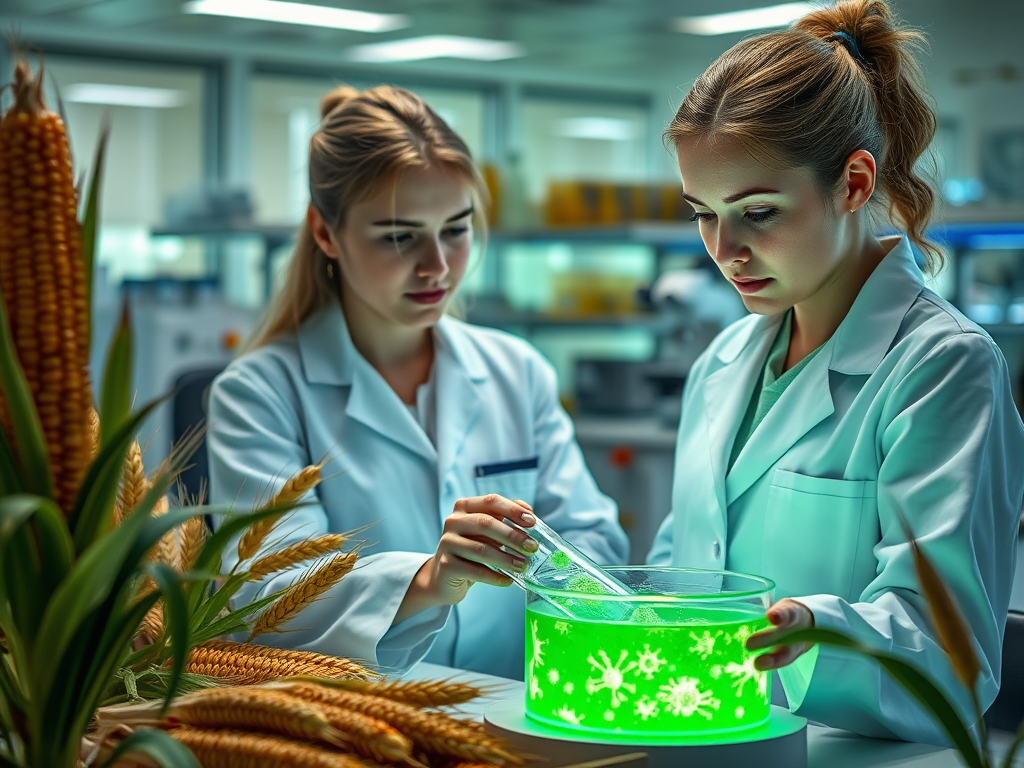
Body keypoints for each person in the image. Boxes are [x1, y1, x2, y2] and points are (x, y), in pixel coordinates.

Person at [647, 0, 1024, 745]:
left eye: (758, 213)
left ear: (854, 184)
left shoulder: (942, 368)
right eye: (703, 212)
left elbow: (951, 659)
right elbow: (679, 574)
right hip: (711, 746)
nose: (725, 251)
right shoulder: (722, 365)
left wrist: (817, 633)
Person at [207, 84, 628, 681]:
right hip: (363, 719)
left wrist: (557, 564)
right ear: (326, 233)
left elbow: (595, 544)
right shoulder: (259, 392)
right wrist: (431, 579)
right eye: (400, 237)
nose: (436, 265)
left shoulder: (517, 369)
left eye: (455, 230)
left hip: (524, 704)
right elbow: (272, 593)